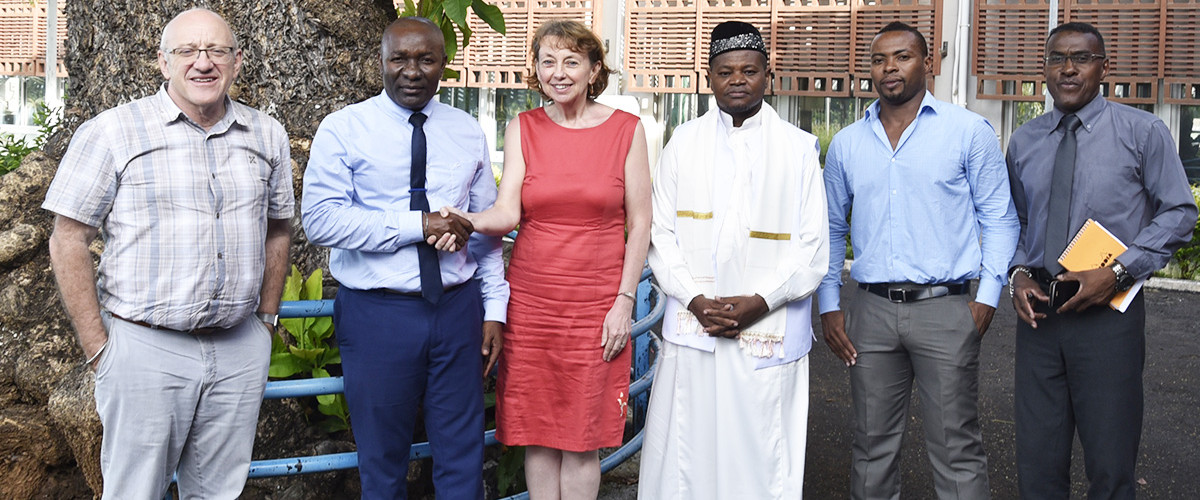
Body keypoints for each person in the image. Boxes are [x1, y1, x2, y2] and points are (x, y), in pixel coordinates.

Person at [42, 8, 292, 499]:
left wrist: (265, 322)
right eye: (187, 51)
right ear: (163, 61)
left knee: (220, 491)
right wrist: (100, 349)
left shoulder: (268, 135)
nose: (203, 63)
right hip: (144, 349)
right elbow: (67, 238)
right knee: (135, 491)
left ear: (237, 61)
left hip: (239, 348)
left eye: (217, 50)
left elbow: (278, 230)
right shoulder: (112, 131)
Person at [436, 19, 651, 499]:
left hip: (597, 303)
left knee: (582, 439)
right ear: (535, 69)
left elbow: (640, 225)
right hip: (533, 303)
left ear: (595, 70)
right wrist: (462, 218)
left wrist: (624, 300)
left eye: (572, 61)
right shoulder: (523, 127)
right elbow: (507, 210)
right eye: (548, 61)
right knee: (537, 431)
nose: (559, 72)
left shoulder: (626, 131)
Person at [300, 17, 509, 499]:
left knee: (463, 458)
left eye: (425, 59)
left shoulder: (465, 129)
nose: (411, 71)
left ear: (443, 65)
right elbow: (322, 222)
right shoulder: (344, 129)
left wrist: (493, 310)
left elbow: (485, 231)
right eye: (399, 59)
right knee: (382, 462)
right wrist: (418, 225)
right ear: (382, 62)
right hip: (378, 316)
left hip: (458, 313)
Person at [818, 21, 1019, 500]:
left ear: (927, 63)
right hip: (871, 311)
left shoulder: (967, 131)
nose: (890, 68)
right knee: (870, 447)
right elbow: (830, 229)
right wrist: (829, 305)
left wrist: (987, 297)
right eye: (879, 59)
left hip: (946, 311)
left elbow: (1000, 218)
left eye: (903, 56)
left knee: (956, 449)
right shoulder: (847, 143)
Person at [637, 21, 828, 499]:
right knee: (688, 450)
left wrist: (762, 301)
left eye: (749, 70)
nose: (737, 79)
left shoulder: (799, 148)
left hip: (769, 329)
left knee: (763, 452)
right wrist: (695, 298)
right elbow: (660, 233)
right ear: (709, 77)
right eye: (726, 71)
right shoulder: (684, 141)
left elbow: (813, 247)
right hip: (694, 323)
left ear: (769, 73)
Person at [1006, 22, 1197, 499]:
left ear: (1103, 67)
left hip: (1109, 318)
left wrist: (1115, 273)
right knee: (1037, 469)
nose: (1068, 68)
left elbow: (1179, 212)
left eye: (1081, 58)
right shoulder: (1024, 141)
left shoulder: (1143, 132)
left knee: (1111, 470)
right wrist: (1017, 274)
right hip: (1039, 322)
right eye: (1056, 58)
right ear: (1044, 69)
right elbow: (1016, 222)